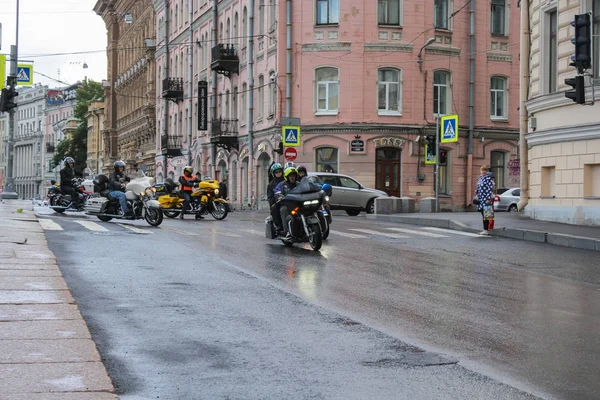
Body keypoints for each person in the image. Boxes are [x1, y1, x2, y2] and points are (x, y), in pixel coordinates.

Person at [274, 167, 300, 238]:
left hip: (298, 204)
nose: (292, 177)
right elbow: (277, 191)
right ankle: (287, 231)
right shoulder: (281, 184)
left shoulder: (299, 184)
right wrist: (280, 196)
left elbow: (306, 189)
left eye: (294, 176)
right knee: (283, 210)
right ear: (287, 177)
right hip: (287, 204)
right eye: (290, 176)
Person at [475, 165, 495, 235]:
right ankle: (486, 228)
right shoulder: (481, 178)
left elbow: (490, 189)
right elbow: (478, 188)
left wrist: (488, 199)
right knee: (484, 214)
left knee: (486, 214)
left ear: (487, 171)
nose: (483, 171)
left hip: (486, 198)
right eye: (482, 170)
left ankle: (486, 230)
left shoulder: (488, 179)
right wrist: (476, 195)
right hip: (481, 198)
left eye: (485, 170)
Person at [267, 163, 285, 233]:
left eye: (279, 171)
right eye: (276, 172)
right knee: (274, 209)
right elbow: (270, 196)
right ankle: (279, 226)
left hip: (289, 200)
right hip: (278, 201)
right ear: (273, 174)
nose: (278, 173)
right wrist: (273, 202)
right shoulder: (271, 184)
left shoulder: (286, 179)